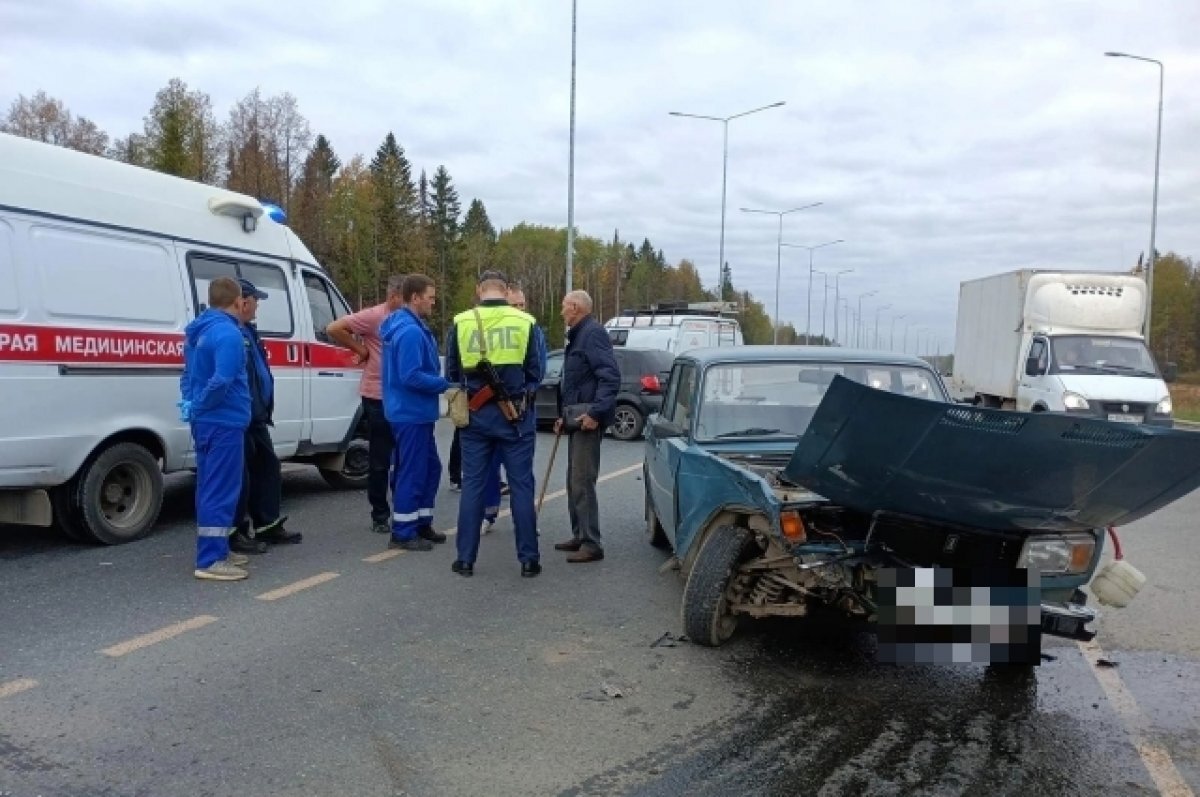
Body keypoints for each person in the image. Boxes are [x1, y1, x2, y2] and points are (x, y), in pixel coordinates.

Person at [445, 270, 546, 577]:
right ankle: (529, 560)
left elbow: (451, 374)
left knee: (473, 486)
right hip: (515, 417)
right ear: (505, 291)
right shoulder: (525, 323)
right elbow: (537, 373)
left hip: (475, 418)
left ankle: (465, 559)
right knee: (521, 487)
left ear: (479, 290)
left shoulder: (460, 322)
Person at [179, 276, 252, 581]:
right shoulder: (228, 334)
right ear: (238, 302)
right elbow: (222, 380)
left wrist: (191, 404)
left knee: (209, 486)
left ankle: (217, 548)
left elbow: (188, 375)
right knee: (220, 489)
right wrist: (202, 404)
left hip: (207, 421)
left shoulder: (200, 331)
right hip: (223, 421)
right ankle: (211, 559)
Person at [326, 274, 407, 534]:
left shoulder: (407, 319)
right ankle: (380, 514)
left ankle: (404, 510)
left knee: (404, 457)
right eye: (404, 300)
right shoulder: (374, 316)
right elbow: (334, 328)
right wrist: (360, 350)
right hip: (377, 395)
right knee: (380, 458)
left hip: (402, 397)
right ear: (393, 296)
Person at [380, 274, 451, 551]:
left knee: (429, 467)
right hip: (410, 412)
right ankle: (404, 531)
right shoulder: (410, 331)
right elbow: (411, 376)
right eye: (430, 298)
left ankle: (420, 522)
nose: (433, 303)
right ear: (415, 297)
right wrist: (445, 384)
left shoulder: (408, 326)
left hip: (410, 411)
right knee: (413, 470)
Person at [230, 277, 300, 552]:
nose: (257, 307)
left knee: (267, 468)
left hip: (255, 416)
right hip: (241, 416)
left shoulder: (248, 331)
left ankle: (267, 525)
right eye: (256, 301)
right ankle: (235, 533)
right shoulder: (233, 332)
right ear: (244, 302)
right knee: (240, 477)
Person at [553, 290, 620, 564]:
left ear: (576, 307)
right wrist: (563, 416)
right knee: (573, 481)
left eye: (563, 307)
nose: (561, 312)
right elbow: (577, 383)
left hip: (588, 421)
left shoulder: (592, 333)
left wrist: (595, 412)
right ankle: (580, 535)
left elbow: (610, 376)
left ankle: (592, 543)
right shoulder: (579, 334)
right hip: (576, 419)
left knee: (582, 481)